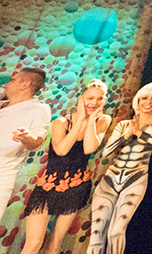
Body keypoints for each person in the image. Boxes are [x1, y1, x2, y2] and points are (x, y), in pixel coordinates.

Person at [21, 79, 111, 254]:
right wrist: (80, 119)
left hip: (76, 186)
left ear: (104, 100)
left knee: (55, 242)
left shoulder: (103, 120)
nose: (94, 103)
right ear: (81, 99)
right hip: (48, 186)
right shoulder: (61, 123)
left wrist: (90, 120)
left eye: (100, 99)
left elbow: (89, 148)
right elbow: (61, 150)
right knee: (34, 243)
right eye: (90, 98)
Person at [88, 82, 152, 254]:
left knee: (116, 232)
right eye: (144, 97)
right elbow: (106, 152)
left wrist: (139, 133)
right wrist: (126, 135)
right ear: (138, 100)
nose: (148, 102)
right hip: (111, 178)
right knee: (96, 235)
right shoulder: (124, 125)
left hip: (135, 178)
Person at [0, 68, 51, 219]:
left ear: (25, 84)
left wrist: (26, 137)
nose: (4, 85)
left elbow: (36, 142)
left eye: (12, 80)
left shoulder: (39, 110)